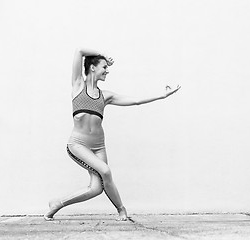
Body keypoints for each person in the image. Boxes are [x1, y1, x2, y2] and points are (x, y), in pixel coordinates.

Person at [44, 48, 181, 221]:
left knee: (96, 188)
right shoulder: (78, 86)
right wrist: (102, 54)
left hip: (99, 146)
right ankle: (121, 210)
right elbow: (79, 51)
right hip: (78, 145)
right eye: (104, 67)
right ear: (92, 68)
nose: (107, 70)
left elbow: (136, 100)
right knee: (106, 172)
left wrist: (162, 95)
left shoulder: (105, 96)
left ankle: (57, 203)